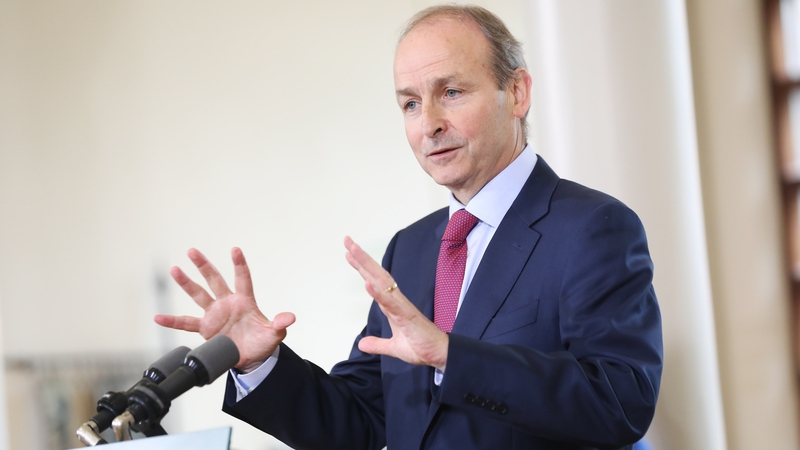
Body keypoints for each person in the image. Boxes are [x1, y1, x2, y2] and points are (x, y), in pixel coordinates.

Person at [154, 5, 663, 449]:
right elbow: (355, 423)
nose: (429, 124)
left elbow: (620, 403)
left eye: (453, 92)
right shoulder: (412, 248)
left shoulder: (593, 227)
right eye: (411, 103)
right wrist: (259, 363)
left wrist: (450, 355)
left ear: (518, 92)